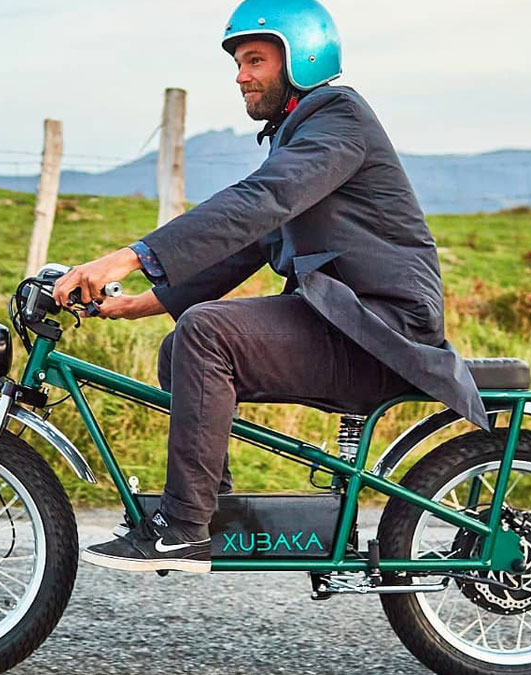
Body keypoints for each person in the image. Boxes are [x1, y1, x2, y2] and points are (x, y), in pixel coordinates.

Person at [52, 0, 488, 574]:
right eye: (237, 62)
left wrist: (130, 258)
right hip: (342, 320)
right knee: (183, 341)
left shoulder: (339, 121)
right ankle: (214, 512)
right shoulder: (299, 133)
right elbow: (253, 243)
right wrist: (141, 304)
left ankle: (184, 529)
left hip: (381, 330)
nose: (240, 75)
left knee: (206, 331)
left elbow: (263, 201)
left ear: (303, 56)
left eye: (255, 59)